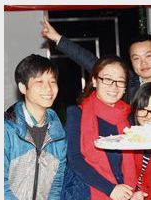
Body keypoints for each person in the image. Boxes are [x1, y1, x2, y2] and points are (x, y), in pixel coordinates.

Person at [61, 56, 142, 200]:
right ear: (94, 81)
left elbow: (136, 161)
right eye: (107, 79)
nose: (114, 86)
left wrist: (135, 190)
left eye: (120, 81)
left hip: (125, 192)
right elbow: (74, 159)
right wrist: (110, 189)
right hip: (88, 192)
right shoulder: (77, 114)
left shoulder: (128, 117)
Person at [4, 54, 67, 199]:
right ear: (23, 87)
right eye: (39, 81)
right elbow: (3, 185)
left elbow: (56, 185)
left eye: (52, 81)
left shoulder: (58, 134)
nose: (48, 88)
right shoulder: (7, 129)